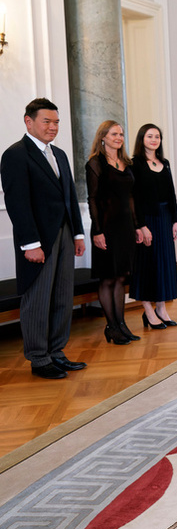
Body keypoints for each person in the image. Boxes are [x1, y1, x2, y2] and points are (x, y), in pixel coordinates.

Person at [0, 98, 87, 379]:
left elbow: (69, 198)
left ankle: (56, 352)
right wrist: (30, 244)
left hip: (63, 234)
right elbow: (17, 203)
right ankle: (39, 358)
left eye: (56, 122)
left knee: (63, 295)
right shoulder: (15, 154)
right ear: (29, 121)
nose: (53, 127)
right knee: (37, 299)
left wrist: (76, 233)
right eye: (47, 122)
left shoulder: (59, 154)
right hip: (37, 240)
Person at [86, 120, 150, 346]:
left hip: (124, 228)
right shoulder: (95, 163)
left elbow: (131, 198)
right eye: (114, 134)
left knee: (121, 276)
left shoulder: (126, 163)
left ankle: (121, 325)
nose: (119, 137)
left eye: (121, 134)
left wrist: (136, 226)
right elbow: (92, 199)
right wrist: (97, 231)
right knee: (108, 277)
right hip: (106, 226)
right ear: (103, 136)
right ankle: (111, 327)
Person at [130, 123, 177, 329]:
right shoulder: (135, 164)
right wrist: (141, 225)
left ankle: (161, 308)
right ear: (142, 139)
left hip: (165, 217)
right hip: (147, 220)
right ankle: (148, 310)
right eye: (150, 136)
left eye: (157, 136)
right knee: (147, 265)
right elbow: (134, 198)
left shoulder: (165, 163)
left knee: (164, 265)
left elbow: (171, 194)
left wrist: (176, 221)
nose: (154, 140)